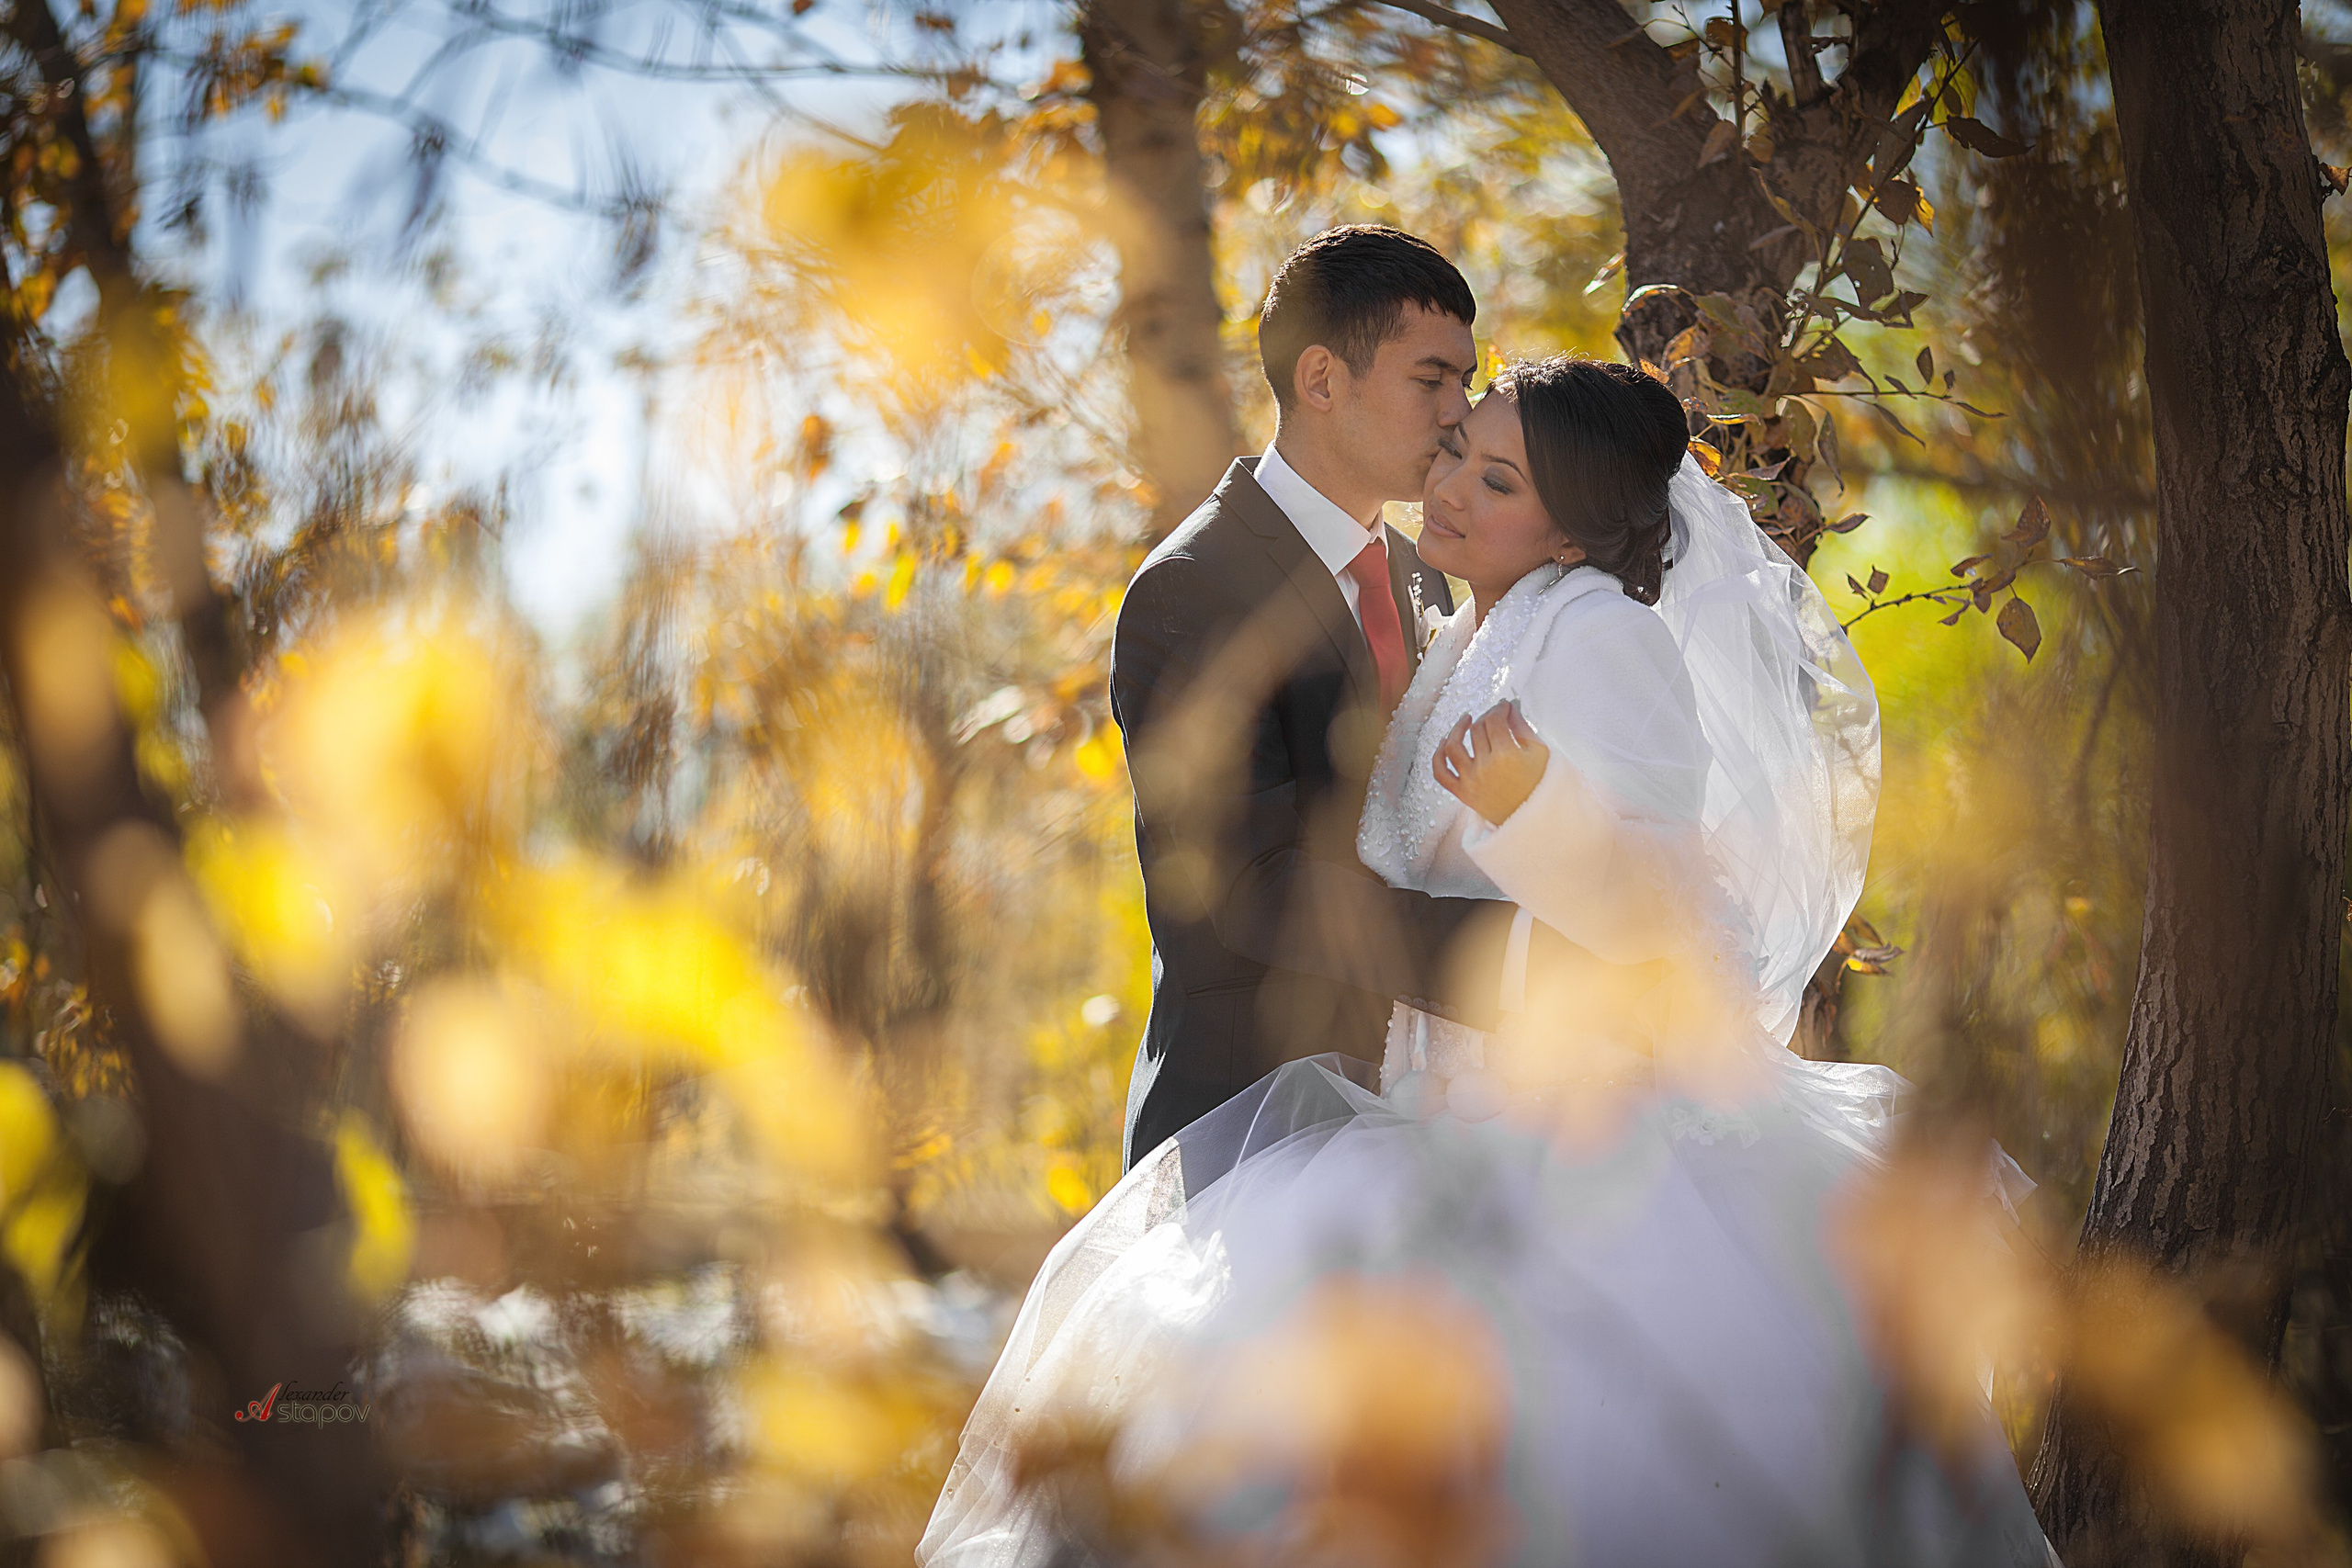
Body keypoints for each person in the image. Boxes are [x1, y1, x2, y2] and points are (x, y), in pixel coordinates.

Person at [920, 355, 2061, 1567]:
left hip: (1569, 1142)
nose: (1450, 482)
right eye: (1459, 446)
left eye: (1498, 477)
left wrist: (1539, 805)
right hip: (1439, 1114)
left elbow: (1663, 927)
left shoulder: (1605, 638)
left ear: (1572, 529)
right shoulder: (1477, 624)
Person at [1109, 226, 1553, 1168]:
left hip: (1424, 1113)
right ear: (1321, 380)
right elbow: (1250, 886)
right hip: (1254, 1126)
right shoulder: (1193, 586)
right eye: (1430, 380)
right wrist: (1514, 958)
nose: (1457, 412)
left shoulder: (1426, 575)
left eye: (1464, 381)